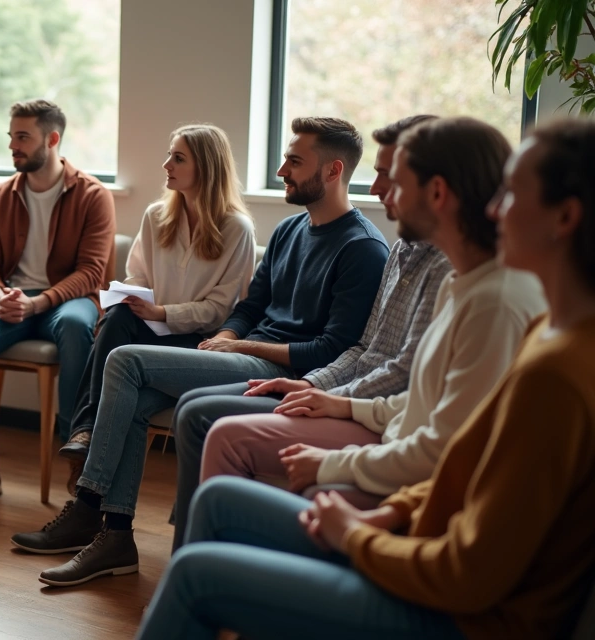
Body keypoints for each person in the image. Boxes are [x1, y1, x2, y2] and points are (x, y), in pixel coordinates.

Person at [138, 117, 595, 640]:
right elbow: (463, 460)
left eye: (512, 196)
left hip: (461, 616)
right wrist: (381, 489)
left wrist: (356, 533)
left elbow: (467, 573)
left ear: (564, 217)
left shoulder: (535, 346)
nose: (495, 210)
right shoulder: (528, 320)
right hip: (413, 536)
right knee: (217, 499)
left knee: (198, 575)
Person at [10, 116, 388, 587]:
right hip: (240, 352)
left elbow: (331, 349)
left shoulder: (363, 249)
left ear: (333, 171)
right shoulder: (292, 229)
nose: (280, 170)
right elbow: (249, 306)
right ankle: (116, 538)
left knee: (124, 360)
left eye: (293, 160)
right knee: (133, 398)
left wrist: (241, 343)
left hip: (278, 367)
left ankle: (87, 505)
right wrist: (229, 334)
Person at [189, 116, 544, 536]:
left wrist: (331, 413)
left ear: (437, 192)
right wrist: (324, 390)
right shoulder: (444, 274)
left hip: (388, 445)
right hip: (372, 416)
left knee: (220, 436)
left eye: (391, 178)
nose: (376, 190)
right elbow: (375, 357)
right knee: (201, 415)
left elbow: (431, 423)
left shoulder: (487, 296)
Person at [165, 114, 454, 542]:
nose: (375, 190)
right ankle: (185, 544)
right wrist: (314, 386)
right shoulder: (399, 251)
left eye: (389, 178)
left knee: (196, 411)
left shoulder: (382, 252)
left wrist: (329, 396)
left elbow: (393, 368)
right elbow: (365, 349)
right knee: (186, 404)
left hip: (361, 404)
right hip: (327, 385)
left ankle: (200, 551)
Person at [56, 124, 257, 493]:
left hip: (198, 343)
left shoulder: (237, 229)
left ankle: (85, 433)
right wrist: (130, 296)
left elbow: (220, 309)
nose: (166, 164)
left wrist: (162, 312)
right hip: (150, 327)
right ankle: (84, 433)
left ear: (207, 167)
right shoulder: (156, 216)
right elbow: (138, 275)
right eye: (169, 155)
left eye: (178, 158)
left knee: (116, 333)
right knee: (115, 316)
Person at [0, 99, 117, 513]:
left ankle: (76, 455)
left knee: (79, 329)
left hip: (67, 301)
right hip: (11, 298)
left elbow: (92, 272)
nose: (13, 145)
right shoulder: (0, 196)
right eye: (11, 137)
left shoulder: (93, 195)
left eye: (23, 137)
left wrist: (39, 302)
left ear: (53, 139)